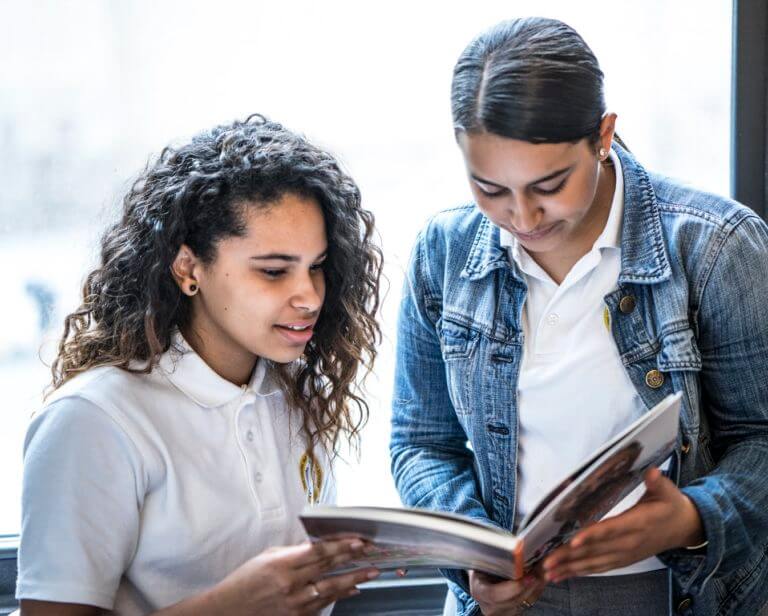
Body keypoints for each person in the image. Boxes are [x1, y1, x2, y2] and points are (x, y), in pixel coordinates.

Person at [390, 17, 768, 616]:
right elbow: (420, 443)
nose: (522, 217)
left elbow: (761, 437)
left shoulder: (716, 245)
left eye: (550, 185)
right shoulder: (443, 252)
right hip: (506, 601)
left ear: (603, 135)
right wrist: (472, 560)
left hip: (680, 593)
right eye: (490, 188)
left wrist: (691, 517)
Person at [16, 114, 383, 616]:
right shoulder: (94, 419)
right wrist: (231, 605)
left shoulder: (296, 392)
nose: (310, 296)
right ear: (189, 268)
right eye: (274, 271)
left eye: (316, 266)